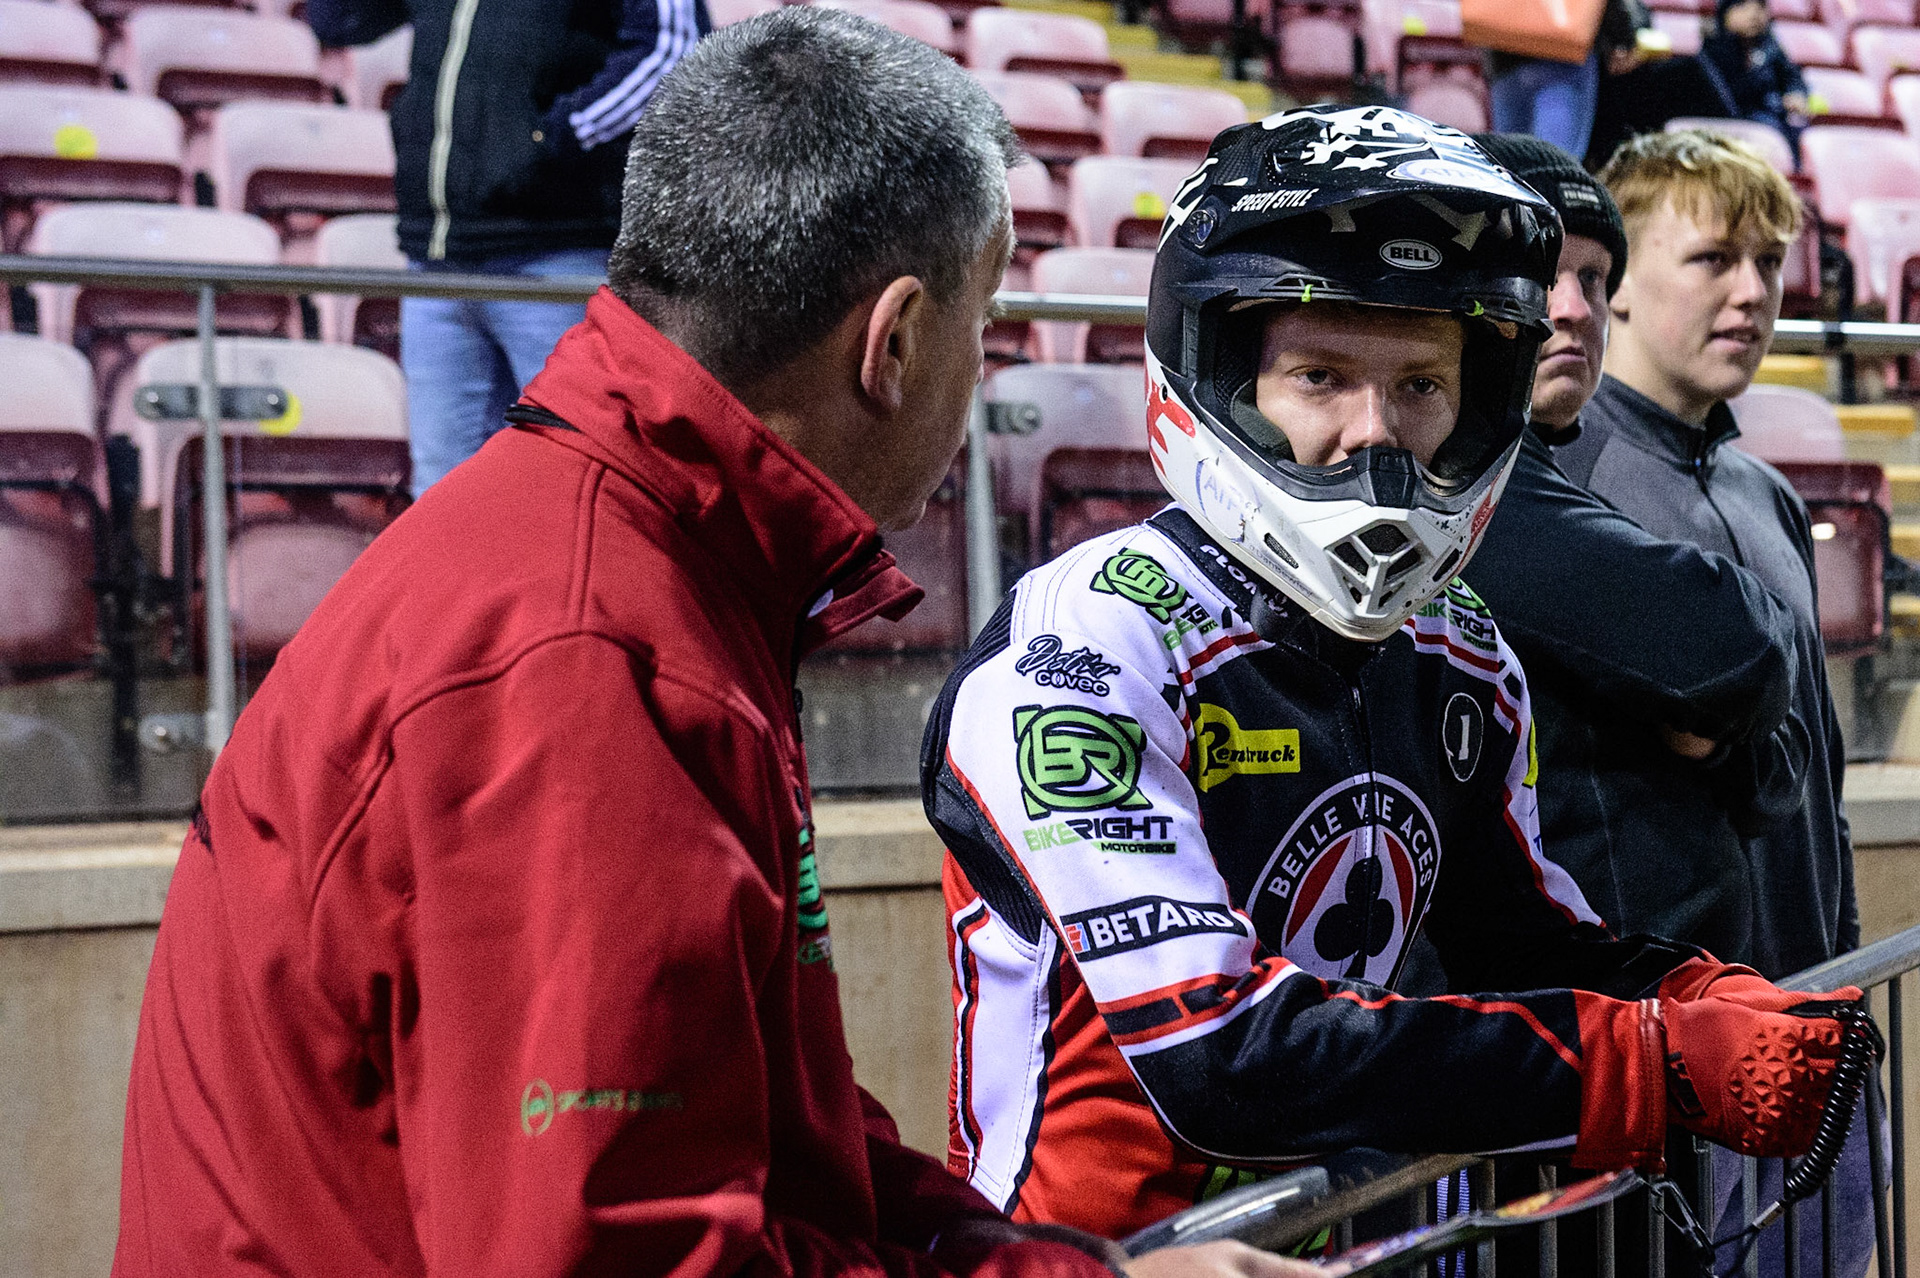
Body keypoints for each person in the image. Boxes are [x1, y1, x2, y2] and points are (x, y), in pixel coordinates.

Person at [109, 14, 1306, 1278]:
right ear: (893, 344)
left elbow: (774, 1140)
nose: (984, 364)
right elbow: (625, 1255)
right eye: (988, 320)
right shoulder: (588, 655)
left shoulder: (641, 559)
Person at [920, 104, 1861, 1241]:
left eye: (1422, 386)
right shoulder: (1085, 648)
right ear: (1220, 381)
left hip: (1347, 1246)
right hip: (1088, 1259)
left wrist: (1684, 991)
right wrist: (1643, 1065)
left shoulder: (1457, 650)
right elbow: (1218, 1053)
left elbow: (1516, 939)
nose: (1379, 439)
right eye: (1320, 376)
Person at [1559, 125, 1865, 1278]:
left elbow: (1816, 774)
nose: (1752, 294)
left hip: (1802, 1020)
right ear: (1615, 288)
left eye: (1770, 265)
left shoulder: (1768, 489)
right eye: (1713, 261)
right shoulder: (1561, 482)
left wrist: (1831, 983)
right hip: (1671, 1047)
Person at [1454, 132, 1805, 983]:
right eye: (1713, 259)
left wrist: (1727, 742)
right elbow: (1734, 650)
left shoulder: (1767, 491)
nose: (1572, 308)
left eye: (1592, 279)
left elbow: (1798, 770)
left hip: (1709, 1006)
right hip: (1597, 1028)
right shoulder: (1473, 485)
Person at [307, 0, 710, 496]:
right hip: (436, 258)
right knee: (440, 493)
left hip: (557, 253)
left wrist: (554, 139)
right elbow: (342, 19)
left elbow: (670, 54)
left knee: (574, 483)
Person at [1486, 0, 1650, 162]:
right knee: (1554, 160)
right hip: (1563, 53)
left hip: (1505, 46)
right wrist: (1623, 36)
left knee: (1507, 161)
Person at [1699, 0, 1810, 159]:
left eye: (1760, 7)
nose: (1753, 15)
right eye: (1742, 6)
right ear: (1724, 14)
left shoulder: (1770, 47)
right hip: (1732, 122)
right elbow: (1727, 95)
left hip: (1772, 119)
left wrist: (1795, 93)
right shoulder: (1713, 48)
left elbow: (1791, 76)